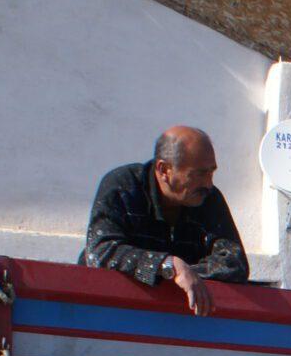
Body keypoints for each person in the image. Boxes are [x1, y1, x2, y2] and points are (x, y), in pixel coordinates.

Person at [82, 126, 249, 316]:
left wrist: (184, 273)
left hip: (180, 325)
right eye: (199, 174)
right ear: (163, 170)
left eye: (211, 172)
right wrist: (167, 265)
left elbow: (235, 264)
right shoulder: (122, 187)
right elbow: (100, 252)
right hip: (107, 317)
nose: (208, 184)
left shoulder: (209, 198)